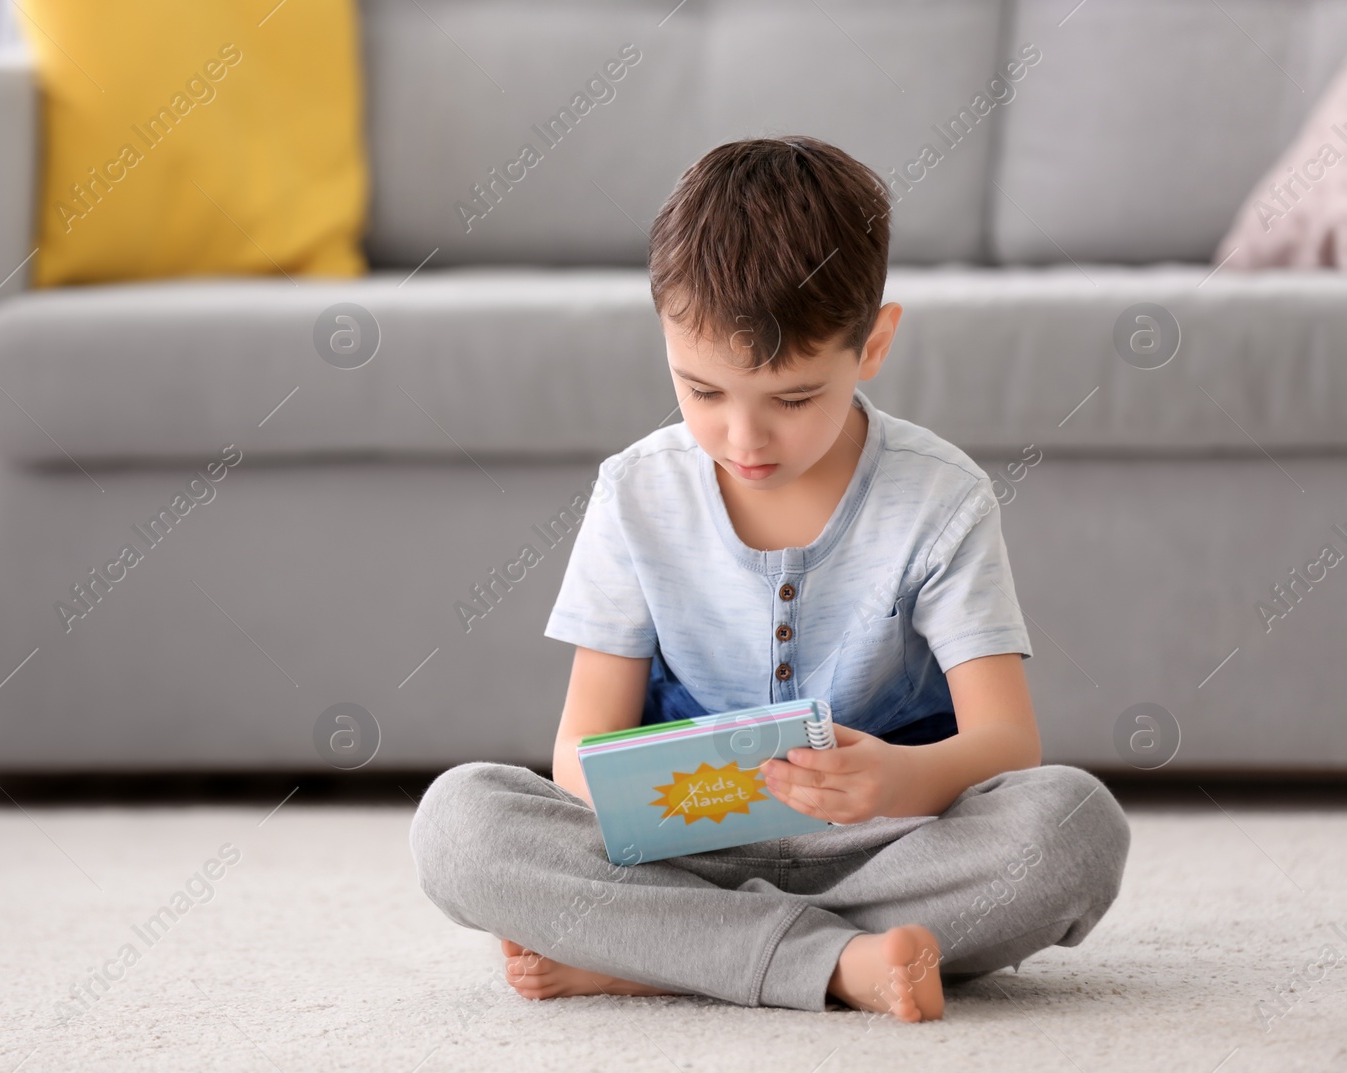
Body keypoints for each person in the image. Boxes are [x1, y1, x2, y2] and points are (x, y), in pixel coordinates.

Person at [409, 135, 1130, 1022]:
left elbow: (1007, 745)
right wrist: (653, 795)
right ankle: (836, 961)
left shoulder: (942, 499)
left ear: (873, 344)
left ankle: (668, 954)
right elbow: (576, 754)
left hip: (888, 846)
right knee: (459, 822)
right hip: (680, 856)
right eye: (702, 391)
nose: (744, 440)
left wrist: (895, 782)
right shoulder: (636, 494)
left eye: (792, 400)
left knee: (1072, 827)